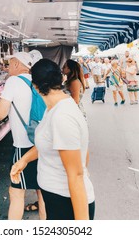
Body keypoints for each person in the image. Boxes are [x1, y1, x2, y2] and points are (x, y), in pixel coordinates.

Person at [10, 59, 95, 220]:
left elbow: (76, 175)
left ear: (35, 87)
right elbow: (49, 141)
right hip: (57, 199)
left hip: (67, 203)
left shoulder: (62, 116)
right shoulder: (54, 108)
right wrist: (24, 160)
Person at [0, 52, 46, 220]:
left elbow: (0, 114)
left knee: (16, 192)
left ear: (17, 64)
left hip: (24, 145)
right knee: (41, 192)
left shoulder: (13, 81)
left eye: (10, 63)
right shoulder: (37, 80)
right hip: (42, 143)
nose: (7, 67)